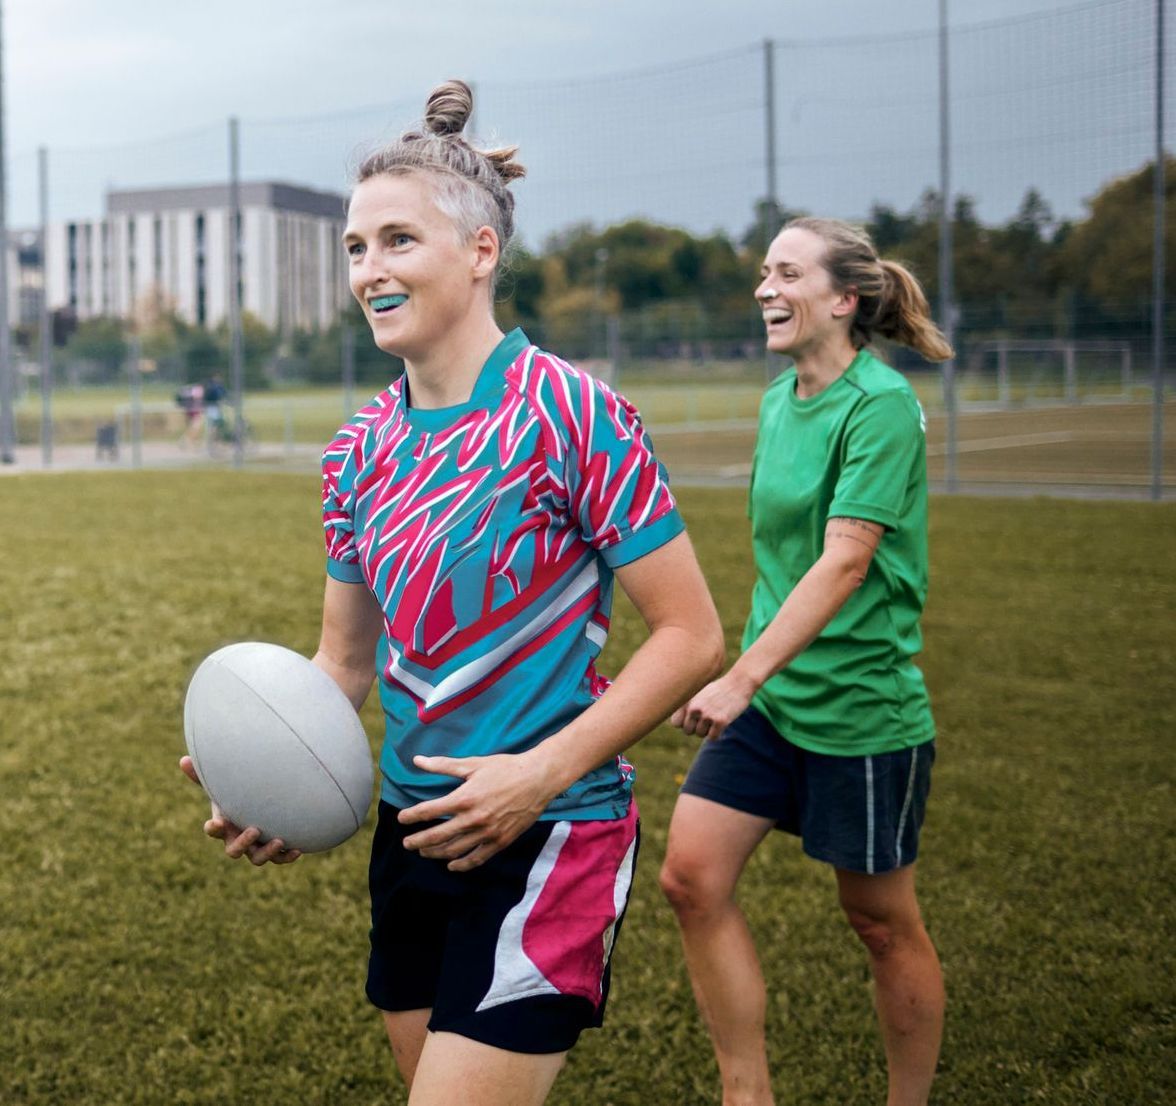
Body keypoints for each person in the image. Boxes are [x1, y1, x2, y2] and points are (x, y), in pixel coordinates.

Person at [180, 80, 724, 1106]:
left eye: (397, 241)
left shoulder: (575, 413)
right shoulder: (357, 452)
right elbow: (341, 660)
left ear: (480, 252)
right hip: (410, 829)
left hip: (551, 830)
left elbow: (693, 634)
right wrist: (265, 772)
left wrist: (535, 773)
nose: (369, 270)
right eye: (355, 248)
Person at [659, 217, 952, 1106]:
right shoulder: (779, 397)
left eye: (786, 274)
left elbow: (844, 560)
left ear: (843, 300)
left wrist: (739, 675)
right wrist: (756, 682)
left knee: (878, 922)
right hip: (774, 707)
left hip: (860, 712)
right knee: (690, 878)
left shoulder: (882, 406)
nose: (764, 289)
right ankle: (747, 1095)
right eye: (762, 272)